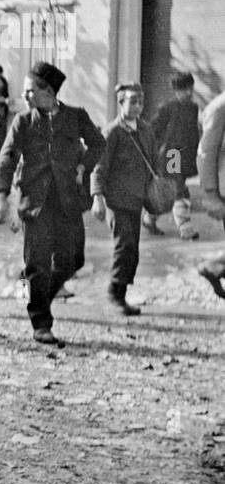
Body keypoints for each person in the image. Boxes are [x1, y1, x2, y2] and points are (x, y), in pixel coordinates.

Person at [0, 61, 104, 345]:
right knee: (37, 265)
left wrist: (83, 165)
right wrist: (1, 196)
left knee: (73, 260)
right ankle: (41, 322)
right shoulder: (24, 122)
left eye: (30, 91)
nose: (26, 96)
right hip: (35, 203)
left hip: (68, 201)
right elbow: (7, 158)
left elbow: (98, 144)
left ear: (49, 91)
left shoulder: (76, 117)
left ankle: (41, 296)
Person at [91, 84, 155, 316]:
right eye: (133, 101)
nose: (138, 106)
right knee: (124, 245)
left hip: (137, 199)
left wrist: (165, 186)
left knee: (133, 250)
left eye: (141, 101)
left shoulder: (146, 130)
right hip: (116, 201)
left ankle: (121, 293)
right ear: (120, 103)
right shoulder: (112, 132)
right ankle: (115, 294)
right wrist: (97, 197)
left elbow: (156, 162)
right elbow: (99, 167)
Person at [146, 72, 200, 240]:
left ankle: (149, 218)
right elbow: (154, 129)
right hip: (172, 155)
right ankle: (185, 228)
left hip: (186, 155)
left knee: (170, 192)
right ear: (176, 91)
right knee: (179, 189)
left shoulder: (193, 108)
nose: (189, 92)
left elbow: (193, 133)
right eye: (184, 89)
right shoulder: (168, 108)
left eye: (190, 88)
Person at [196, 88, 225, 298]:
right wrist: (211, 193)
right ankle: (214, 266)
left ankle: (215, 267)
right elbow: (205, 152)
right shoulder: (219, 107)